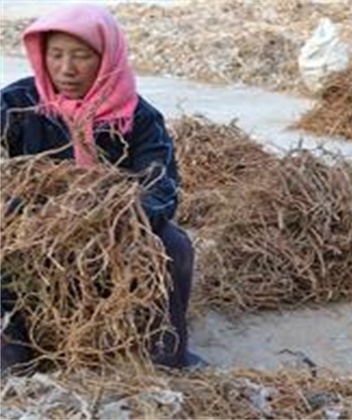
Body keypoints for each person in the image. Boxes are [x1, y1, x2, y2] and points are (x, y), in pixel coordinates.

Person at [0, 4, 206, 371]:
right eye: (57, 55)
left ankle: (166, 353)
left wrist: (104, 222)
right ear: (40, 55)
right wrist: (26, 214)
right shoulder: (16, 105)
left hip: (109, 239)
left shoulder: (138, 117)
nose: (67, 69)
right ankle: (12, 351)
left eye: (81, 56)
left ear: (107, 56)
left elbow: (161, 187)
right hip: (28, 233)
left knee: (174, 244)